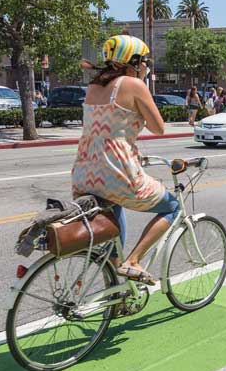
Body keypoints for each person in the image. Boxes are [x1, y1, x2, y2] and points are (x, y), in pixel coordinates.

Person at [72, 35, 179, 285]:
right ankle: (133, 260)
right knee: (173, 207)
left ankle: (118, 293)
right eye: (143, 62)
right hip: (117, 171)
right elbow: (158, 127)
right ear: (132, 61)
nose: (145, 66)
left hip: (85, 172)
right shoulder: (133, 85)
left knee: (112, 225)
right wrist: (143, 89)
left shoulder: (94, 87)